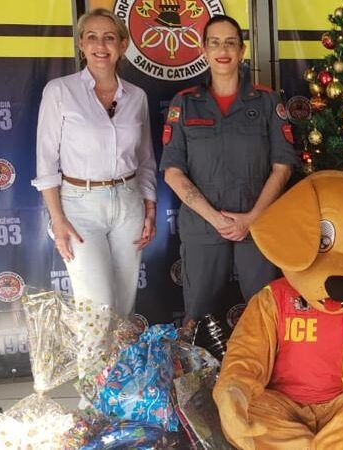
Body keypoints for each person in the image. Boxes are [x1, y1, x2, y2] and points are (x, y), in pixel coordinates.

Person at [160, 15, 296, 322]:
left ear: (242, 50)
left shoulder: (266, 101)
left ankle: (267, 371)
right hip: (203, 227)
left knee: (267, 314)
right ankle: (200, 371)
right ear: (203, 49)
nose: (224, 50)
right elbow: (172, 172)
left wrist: (251, 218)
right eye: (216, 42)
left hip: (259, 227)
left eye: (231, 42)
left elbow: (283, 167)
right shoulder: (184, 104)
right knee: (197, 315)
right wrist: (217, 220)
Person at [32, 9, 157, 323]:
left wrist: (150, 208)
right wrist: (57, 219)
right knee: (96, 311)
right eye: (92, 37)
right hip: (79, 207)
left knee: (124, 309)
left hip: (129, 203)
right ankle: (92, 374)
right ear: (81, 44)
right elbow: (46, 161)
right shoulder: (60, 91)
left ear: (123, 44)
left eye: (109, 37)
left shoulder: (137, 96)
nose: (101, 45)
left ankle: (116, 374)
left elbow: (145, 160)